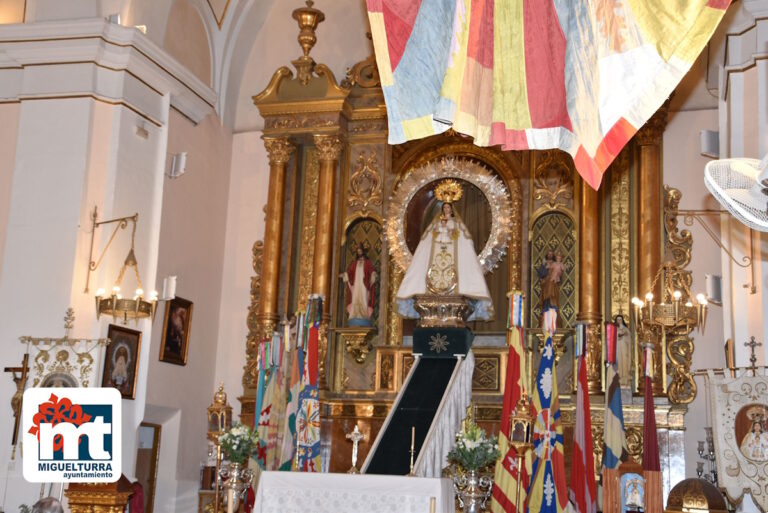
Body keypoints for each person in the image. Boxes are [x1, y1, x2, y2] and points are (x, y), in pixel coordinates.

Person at [396, 180, 493, 321]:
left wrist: (452, 231)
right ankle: (431, 292)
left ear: (452, 210)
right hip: (437, 256)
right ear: (442, 209)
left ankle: (455, 291)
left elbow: (464, 241)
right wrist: (438, 229)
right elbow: (427, 242)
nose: (447, 210)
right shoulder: (435, 224)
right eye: (445, 208)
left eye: (449, 208)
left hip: (452, 257)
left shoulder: (457, 224)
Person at [341, 245, 377, 326]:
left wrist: (373, 273)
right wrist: (345, 274)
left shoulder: (367, 262)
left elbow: (371, 270)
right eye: (358, 252)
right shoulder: (354, 263)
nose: (359, 253)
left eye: (360, 251)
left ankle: (363, 314)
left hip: (364, 284)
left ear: (363, 252)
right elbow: (349, 272)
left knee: (364, 297)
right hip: (356, 284)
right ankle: (355, 314)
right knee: (355, 298)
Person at [615, 314, 633, 388]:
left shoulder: (626, 329)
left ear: (622, 320)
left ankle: (625, 380)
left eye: (620, 319)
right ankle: (618, 379)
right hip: (618, 349)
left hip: (624, 349)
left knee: (624, 363)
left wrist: (624, 336)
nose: (619, 321)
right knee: (618, 363)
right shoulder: (615, 329)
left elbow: (629, 339)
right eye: (618, 320)